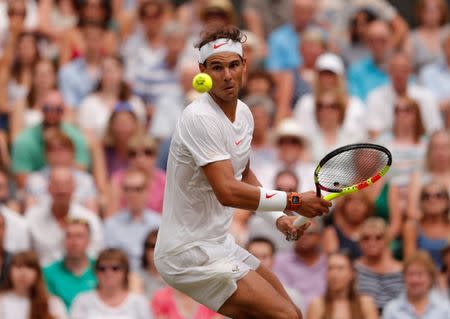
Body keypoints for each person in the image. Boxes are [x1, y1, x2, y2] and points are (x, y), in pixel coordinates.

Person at [154, 25, 331, 319]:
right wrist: (296, 201)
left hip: (217, 243)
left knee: (293, 313)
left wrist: (279, 220)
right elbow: (227, 191)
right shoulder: (199, 118)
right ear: (203, 71)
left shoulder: (245, 114)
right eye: (217, 67)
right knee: (284, 316)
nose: (227, 75)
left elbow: (244, 173)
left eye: (234, 65)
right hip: (187, 254)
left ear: (244, 66)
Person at [26, 166, 103, 266]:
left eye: (66, 184)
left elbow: (95, 254)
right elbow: (25, 254)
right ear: (48, 187)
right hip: (41, 276)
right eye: (57, 184)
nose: (61, 190)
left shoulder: (90, 219)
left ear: (74, 188)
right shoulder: (31, 217)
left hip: (79, 277)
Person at [104, 167, 161, 270]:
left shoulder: (159, 223)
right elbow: (109, 260)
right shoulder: (111, 224)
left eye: (138, 189)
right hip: (124, 280)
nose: (132, 194)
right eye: (127, 189)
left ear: (147, 191)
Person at [70, 248, 152, 319]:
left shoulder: (139, 302)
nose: (108, 273)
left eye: (115, 268)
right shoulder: (82, 300)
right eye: (102, 268)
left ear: (125, 272)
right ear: (95, 272)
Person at [274, 218, 328, 311]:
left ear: (320, 236)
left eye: (310, 232)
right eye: (300, 231)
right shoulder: (280, 261)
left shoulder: (329, 262)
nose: (304, 235)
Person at [43, 218, 97, 310]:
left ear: (89, 241)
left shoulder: (103, 270)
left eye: (79, 236)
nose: (74, 241)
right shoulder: (47, 273)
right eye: (69, 236)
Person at [306, 251, 379, 319]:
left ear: (352, 273)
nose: (334, 274)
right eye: (330, 268)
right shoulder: (317, 305)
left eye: (340, 268)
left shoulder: (365, 303)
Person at [355, 218, 404, 313]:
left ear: (387, 239)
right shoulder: (353, 270)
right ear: (360, 242)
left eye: (378, 237)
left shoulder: (403, 270)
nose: (372, 243)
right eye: (366, 238)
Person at [0, 251, 68, 319]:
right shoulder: (2, 300)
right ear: (9, 271)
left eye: (29, 267)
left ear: (38, 273)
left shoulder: (53, 303)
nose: (23, 273)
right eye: (18, 267)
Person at [383, 251, 450, 319]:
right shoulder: (392, 310)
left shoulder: (445, 308)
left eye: (420, 274)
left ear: (430, 277)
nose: (415, 280)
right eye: (410, 274)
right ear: (404, 277)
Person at [246, 236, 304, 311]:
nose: (259, 262)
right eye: (253, 257)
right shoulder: (233, 295)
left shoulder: (291, 296)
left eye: (264, 257)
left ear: (273, 260)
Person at [403, 182, 450, 269]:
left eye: (439, 195)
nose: (432, 200)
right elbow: (410, 262)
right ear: (421, 202)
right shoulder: (412, 227)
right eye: (426, 196)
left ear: (447, 201)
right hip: (421, 277)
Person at [323, 192, 374, 260]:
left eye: (360, 202)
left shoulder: (374, 232)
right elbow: (332, 260)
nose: (355, 207)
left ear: (368, 207)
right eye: (351, 202)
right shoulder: (332, 232)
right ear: (343, 206)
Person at [133, 229, 166, 298]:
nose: (156, 250)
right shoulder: (136, 276)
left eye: (161, 246)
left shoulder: (175, 278)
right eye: (152, 246)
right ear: (145, 250)